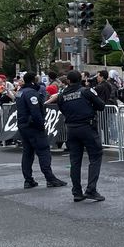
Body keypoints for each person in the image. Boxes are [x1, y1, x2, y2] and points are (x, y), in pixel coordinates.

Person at [49, 71, 106, 202]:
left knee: (75, 161)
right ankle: (91, 189)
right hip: (87, 127)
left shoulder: (62, 95)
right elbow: (101, 106)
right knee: (95, 156)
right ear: (81, 79)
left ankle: (77, 192)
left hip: (71, 129)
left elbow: (62, 109)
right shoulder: (86, 91)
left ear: (68, 80)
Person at [16, 72, 65, 189]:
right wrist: (40, 125)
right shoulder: (31, 93)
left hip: (23, 126)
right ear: (33, 80)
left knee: (27, 153)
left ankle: (28, 180)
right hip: (33, 126)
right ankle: (50, 178)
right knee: (43, 152)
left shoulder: (20, 92)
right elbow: (35, 112)